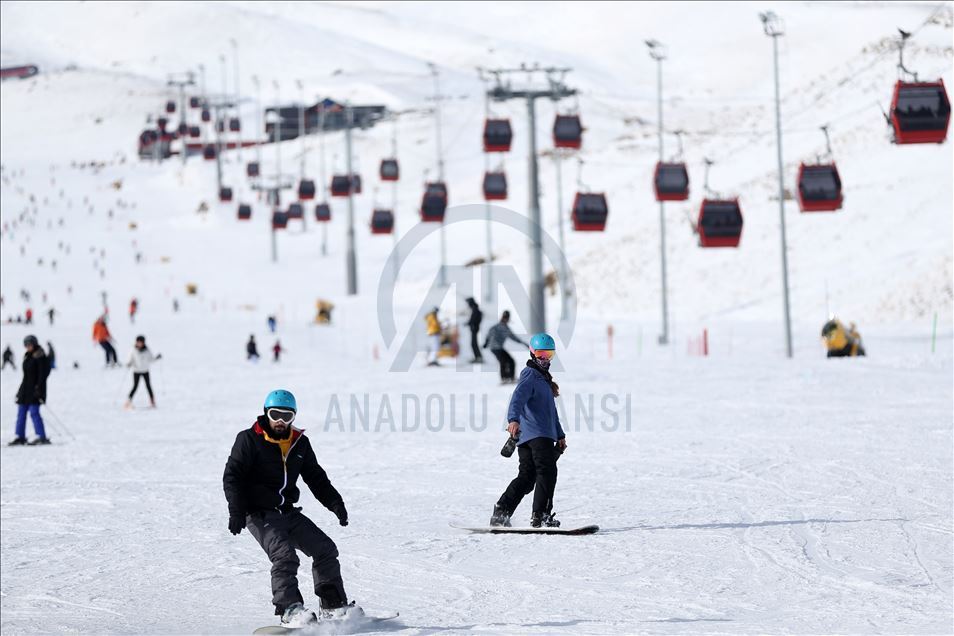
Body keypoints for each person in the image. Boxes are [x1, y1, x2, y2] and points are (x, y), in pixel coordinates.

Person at [223, 389, 356, 626]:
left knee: (325, 549)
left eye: (287, 415)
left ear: (294, 416)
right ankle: (290, 610)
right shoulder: (249, 439)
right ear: (266, 413)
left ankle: (332, 606)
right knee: (284, 556)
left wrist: (335, 503)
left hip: (287, 512)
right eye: (276, 414)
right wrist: (236, 510)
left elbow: (316, 478)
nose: (281, 421)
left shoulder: (299, 443)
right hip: (258, 513)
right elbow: (233, 476)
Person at [490, 333, 566, 528]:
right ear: (532, 353)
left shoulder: (543, 380)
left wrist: (560, 435)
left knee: (528, 477)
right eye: (540, 353)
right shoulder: (530, 375)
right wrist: (513, 419)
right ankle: (541, 515)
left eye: (549, 354)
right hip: (537, 435)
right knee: (547, 472)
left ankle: (502, 512)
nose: (544, 358)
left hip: (533, 436)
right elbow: (517, 398)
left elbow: (551, 413)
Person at [9, 335, 51, 446]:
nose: (27, 346)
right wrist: (20, 391)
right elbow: (26, 376)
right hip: (25, 390)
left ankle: (41, 436)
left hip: (36, 390)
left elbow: (43, 375)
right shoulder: (28, 356)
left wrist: (39, 389)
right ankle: (20, 436)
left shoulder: (40, 356)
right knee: (21, 413)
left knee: (34, 412)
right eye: (26, 345)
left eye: (29, 344)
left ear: (34, 344)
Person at [483, 311, 527, 384]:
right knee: (507, 361)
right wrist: (523, 343)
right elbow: (513, 337)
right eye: (506, 318)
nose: (506, 319)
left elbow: (489, 334)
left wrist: (486, 343)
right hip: (496, 348)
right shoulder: (504, 328)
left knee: (507, 361)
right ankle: (507, 378)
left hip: (495, 348)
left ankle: (507, 378)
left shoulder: (497, 326)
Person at [125, 335, 161, 408]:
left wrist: (157, 358)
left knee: (148, 386)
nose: (139, 344)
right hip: (137, 371)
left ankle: (152, 401)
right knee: (135, 386)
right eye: (138, 342)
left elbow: (151, 359)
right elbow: (130, 359)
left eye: (141, 342)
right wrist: (129, 363)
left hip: (145, 371)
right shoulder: (133, 350)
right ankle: (128, 401)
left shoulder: (147, 350)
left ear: (143, 343)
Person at [465, 297, 483, 363]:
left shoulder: (475, 310)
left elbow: (473, 320)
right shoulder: (475, 309)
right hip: (474, 329)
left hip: (474, 329)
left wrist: (469, 323)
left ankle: (478, 357)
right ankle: (478, 357)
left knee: (474, 344)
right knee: (474, 343)